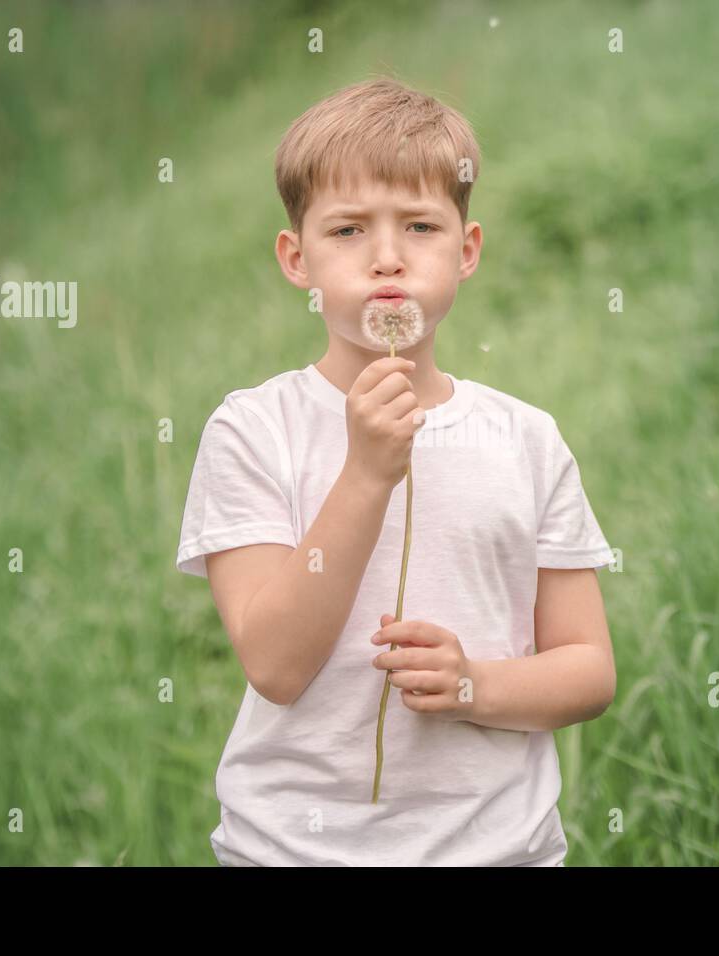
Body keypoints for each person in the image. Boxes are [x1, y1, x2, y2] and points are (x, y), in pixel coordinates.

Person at [175, 76, 616, 866]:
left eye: (419, 225)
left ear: (467, 250)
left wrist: (476, 682)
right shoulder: (251, 430)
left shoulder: (528, 439)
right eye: (347, 231)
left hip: (496, 849)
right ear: (296, 258)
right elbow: (275, 665)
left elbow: (587, 669)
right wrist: (366, 474)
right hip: (292, 849)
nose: (386, 257)